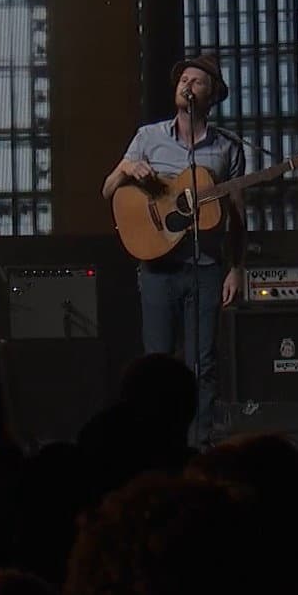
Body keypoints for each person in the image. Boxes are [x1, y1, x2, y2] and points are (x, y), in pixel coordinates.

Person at [101, 54, 245, 445]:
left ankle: (198, 444)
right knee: (156, 362)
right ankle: (154, 443)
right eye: (183, 79)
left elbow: (236, 214)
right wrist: (127, 169)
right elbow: (108, 189)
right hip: (157, 266)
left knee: (204, 362)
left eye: (197, 81)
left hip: (207, 266)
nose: (187, 85)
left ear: (212, 94)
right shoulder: (148, 138)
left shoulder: (227, 148)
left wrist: (237, 267)